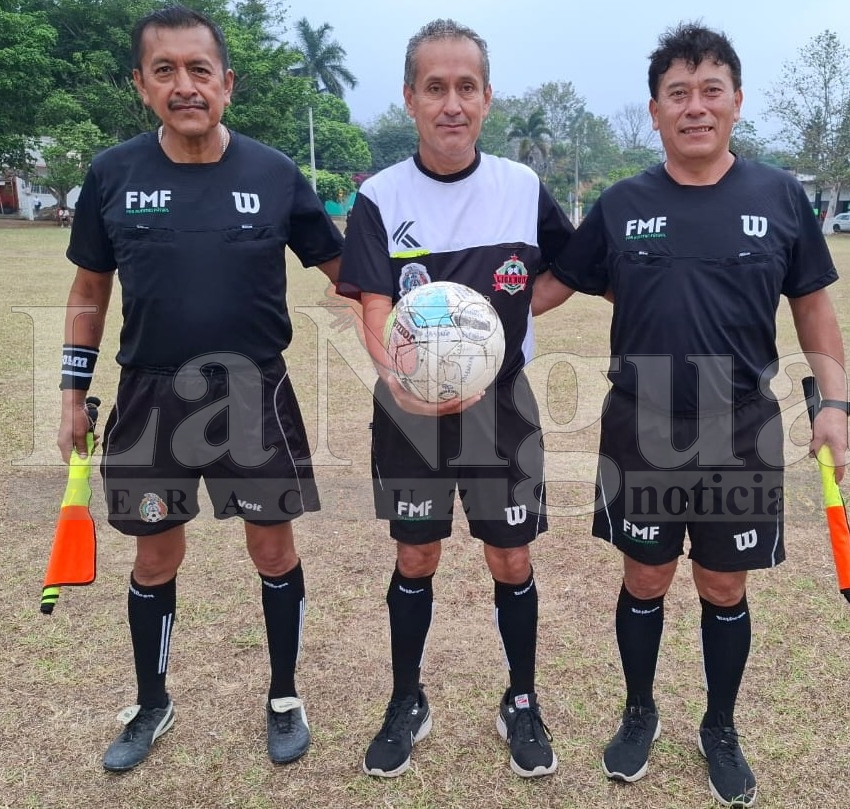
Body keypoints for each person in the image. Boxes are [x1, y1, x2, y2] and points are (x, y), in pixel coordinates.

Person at [533, 22, 849, 807]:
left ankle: (719, 725)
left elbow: (812, 306)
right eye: (678, 93)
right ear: (654, 111)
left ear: (736, 102)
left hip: (739, 427)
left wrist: (835, 404)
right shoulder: (622, 204)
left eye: (710, 90)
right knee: (644, 573)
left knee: (722, 583)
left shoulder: (778, 197)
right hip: (639, 425)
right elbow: (549, 286)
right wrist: (457, 306)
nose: (694, 107)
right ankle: (638, 711)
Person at [57, 4, 342, 772]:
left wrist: (417, 314)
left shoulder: (274, 173)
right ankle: (152, 701)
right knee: (154, 557)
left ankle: (283, 694)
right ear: (141, 84)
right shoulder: (112, 174)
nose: (184, 85)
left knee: (273, 548)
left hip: (255, 394)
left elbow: (347, 270)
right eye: (165, 70)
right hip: (151, 396)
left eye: (199, 69)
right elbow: (89, 291)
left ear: (227, 83)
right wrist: (72, 394)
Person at [338, 18, 574, 779]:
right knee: (416, 552)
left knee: (511, 553)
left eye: (465, 87)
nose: (451, 103)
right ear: (410, 98)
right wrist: (402, 375)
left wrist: (497, 332)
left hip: (500, 409)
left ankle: (521, 699)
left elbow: (567, 270)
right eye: (434, 87)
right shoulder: (380, 197)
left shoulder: (522, 188)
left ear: (486, 98)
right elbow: (373, 301)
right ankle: (406, 699)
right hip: (410, 411)